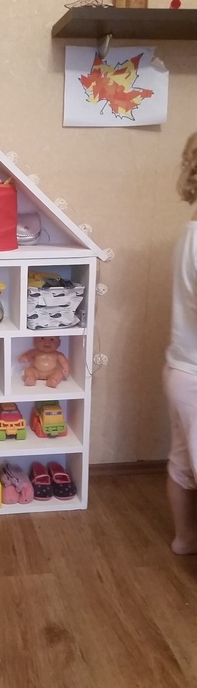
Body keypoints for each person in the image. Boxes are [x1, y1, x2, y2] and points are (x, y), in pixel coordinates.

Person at [164, 131, 197, 555]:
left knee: (182, 463)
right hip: (193, 376)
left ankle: (185, 538)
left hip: (181, 369)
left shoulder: (188, 236)